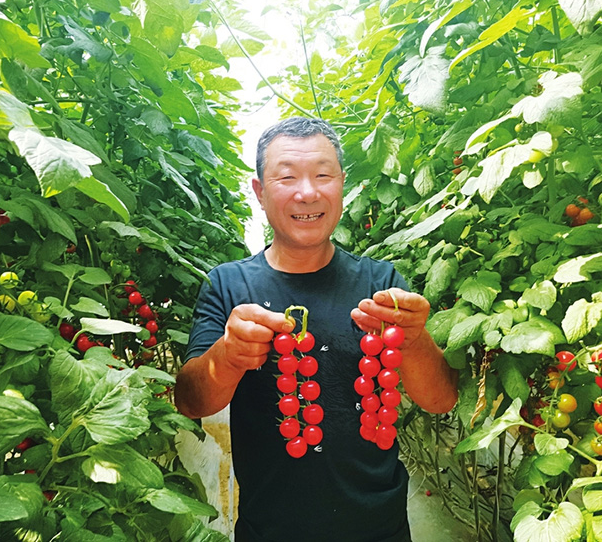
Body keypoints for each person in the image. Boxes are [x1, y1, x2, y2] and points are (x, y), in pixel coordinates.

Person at [174, 117, 458, 542]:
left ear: (341, 184)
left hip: (379, 528)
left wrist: (414, 340)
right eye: (287, 177)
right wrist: (227, 356)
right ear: (260, 192)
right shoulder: (228, 285)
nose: (307, 192)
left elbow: (440, 401)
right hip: (270, 530)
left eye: (323, 175)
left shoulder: (381, 285)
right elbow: (191, 402)